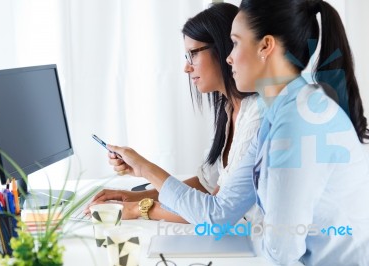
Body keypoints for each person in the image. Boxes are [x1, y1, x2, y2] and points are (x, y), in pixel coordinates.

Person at [99, 0, 369, 265]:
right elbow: (220, 214)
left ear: (265, 46)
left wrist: (251, 228)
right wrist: (144, 171)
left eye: (236, 42)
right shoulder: (281, 112)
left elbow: (281, 250)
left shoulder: (298, 121)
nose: (229, 56)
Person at [86, 3, 261, 222]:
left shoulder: (256, 115)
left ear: (224, 48)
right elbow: (206, 185)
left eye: (193, 54)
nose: (187, 68)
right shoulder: (229, 110)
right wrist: (134, 196)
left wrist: (141, 199)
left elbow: (214, 212)